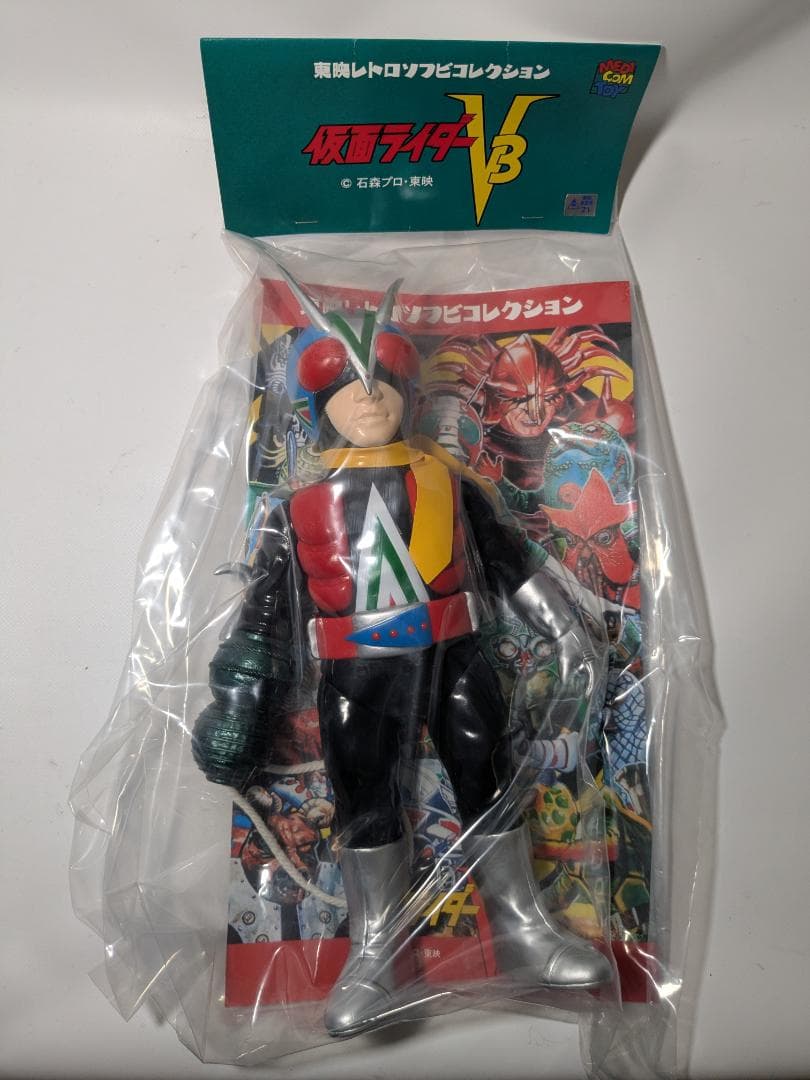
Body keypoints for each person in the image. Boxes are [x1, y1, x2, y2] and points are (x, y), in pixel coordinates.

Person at [192, 270, 612, 1037]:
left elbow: (505, 561)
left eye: (382, 383)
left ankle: (521, 928)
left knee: (485, 767)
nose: (368, 399)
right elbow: (265, 611)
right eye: (346, 388)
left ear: (408, 396)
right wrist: (242, 693)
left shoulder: (447, 486)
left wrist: (563, 627)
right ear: (321, 409)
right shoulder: (299, 508)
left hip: (455, 652)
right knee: (365, 795)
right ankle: (375, 954)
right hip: (355, 672)